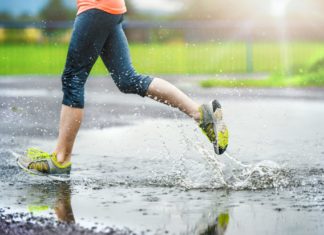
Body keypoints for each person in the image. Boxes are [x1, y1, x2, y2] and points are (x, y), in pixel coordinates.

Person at [17, 0, 228, 180]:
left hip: (96, 7)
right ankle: (201, 114)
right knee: (127, 79)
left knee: (73, 78)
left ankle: (61, 159)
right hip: (110, 8)